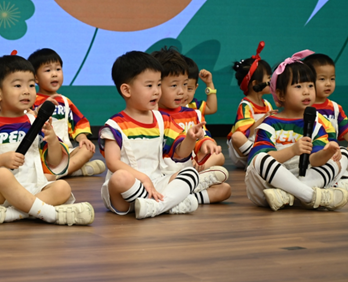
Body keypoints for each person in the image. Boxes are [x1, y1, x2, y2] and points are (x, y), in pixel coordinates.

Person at [0, 55, 94, 226]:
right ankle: (52, 215)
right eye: (18, 85)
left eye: (31, 85)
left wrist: (53, 141)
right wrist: (0, 160)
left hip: (34, 188)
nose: (26, 91)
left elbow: (55, 162)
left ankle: (11, 214)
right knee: (2, 175)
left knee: (63, 187)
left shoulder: (36, 122)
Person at [100, 51, 204, 219]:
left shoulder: (163, 119)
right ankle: (167, 204)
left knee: (190, 173)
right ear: (126, 90)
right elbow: (113, 162)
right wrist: (143, 179)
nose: (156, 91)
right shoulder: (115, 126)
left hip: (157, 183)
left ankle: (156, 206)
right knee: (120, 178)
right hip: (128, 191)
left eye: (159, 84)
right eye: (149, 86)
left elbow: (180, 153)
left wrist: (191, 138)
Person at [245, 50, 348, 211]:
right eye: (298, 86)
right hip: (267, 187)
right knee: (259, 160)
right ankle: (311, 196)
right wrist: (293, 150)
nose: (306, 91)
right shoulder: (269, 124)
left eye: (310, 86)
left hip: (295, 182)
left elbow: (314, 161)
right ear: (281, 94)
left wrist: (328, 152)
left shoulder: (316, 125)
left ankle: (290, 195)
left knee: (341, 155)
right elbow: (261, 160)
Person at [151, 48, 231, 204]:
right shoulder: (153, 116)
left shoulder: (194, 113)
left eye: (185, 85)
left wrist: (207, 143)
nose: (182, 92)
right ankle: (187, 186)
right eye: (174, 85)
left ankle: (183, 197)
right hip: (165, 174)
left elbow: (202, 137)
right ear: (157, 86)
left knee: (224, 189)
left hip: (189, 165)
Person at [28, 48, 105, 178]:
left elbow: (78, 122)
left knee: (88, 149)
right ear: (35, 78)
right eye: (48, 70)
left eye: (58, 69)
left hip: (66, 150)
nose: (54, 74)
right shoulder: (31, 100)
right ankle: (75, 170)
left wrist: (82, 138)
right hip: (43, 152)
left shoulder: (65, 101)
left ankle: (58, 174)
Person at [303, 53, 348, 181]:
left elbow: (345, 129)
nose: (328, 84)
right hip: (313, 154)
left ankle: (338, 170)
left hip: (333, 152)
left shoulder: (335, 107)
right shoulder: (303, 107)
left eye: (332, 79)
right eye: (322, 79)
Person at [227, 42, 276, 169]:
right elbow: (246, 133)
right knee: (237, 137)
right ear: (255, 83)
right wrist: (264, 118)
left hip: (260, 145)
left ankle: (262, 159)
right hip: (243, 151)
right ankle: (256, 160)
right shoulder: (246, 105)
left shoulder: (267, 104)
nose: (271, 81)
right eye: (268, 78)